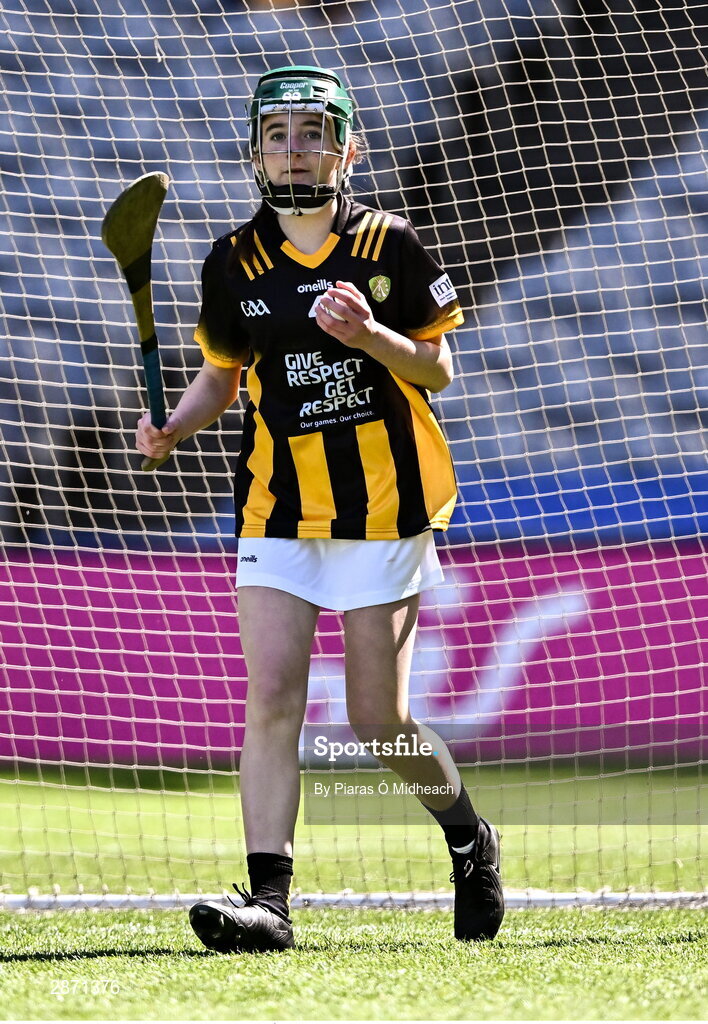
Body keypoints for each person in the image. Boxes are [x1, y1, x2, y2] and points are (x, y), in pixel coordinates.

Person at [136, 65, 504, 951]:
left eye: (311, 134)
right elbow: (224, 376)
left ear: (346, 149)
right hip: (276, 507)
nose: (293, 151)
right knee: (273, 697)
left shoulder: (391, 246)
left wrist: (369, 337)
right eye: (277, 135)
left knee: (381, 723)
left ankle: (468, 835)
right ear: (255, 150)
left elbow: (436, 369)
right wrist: (173, 429)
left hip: (386, 505)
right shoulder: (232, 262)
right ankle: (269, 902)